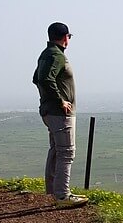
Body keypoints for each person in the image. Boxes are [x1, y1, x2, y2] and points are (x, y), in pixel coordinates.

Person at [33, 22, 87, 207]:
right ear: (66, 38)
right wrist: (60, 100)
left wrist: (47, 100)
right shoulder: (57, 56)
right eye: (69, 37)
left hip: (50, 112)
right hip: (60, 113)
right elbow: (44, 79)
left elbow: (37, 78)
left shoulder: (46, 54)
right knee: (66, 153)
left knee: (56, 150)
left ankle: (55, 192)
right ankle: (63, 195)